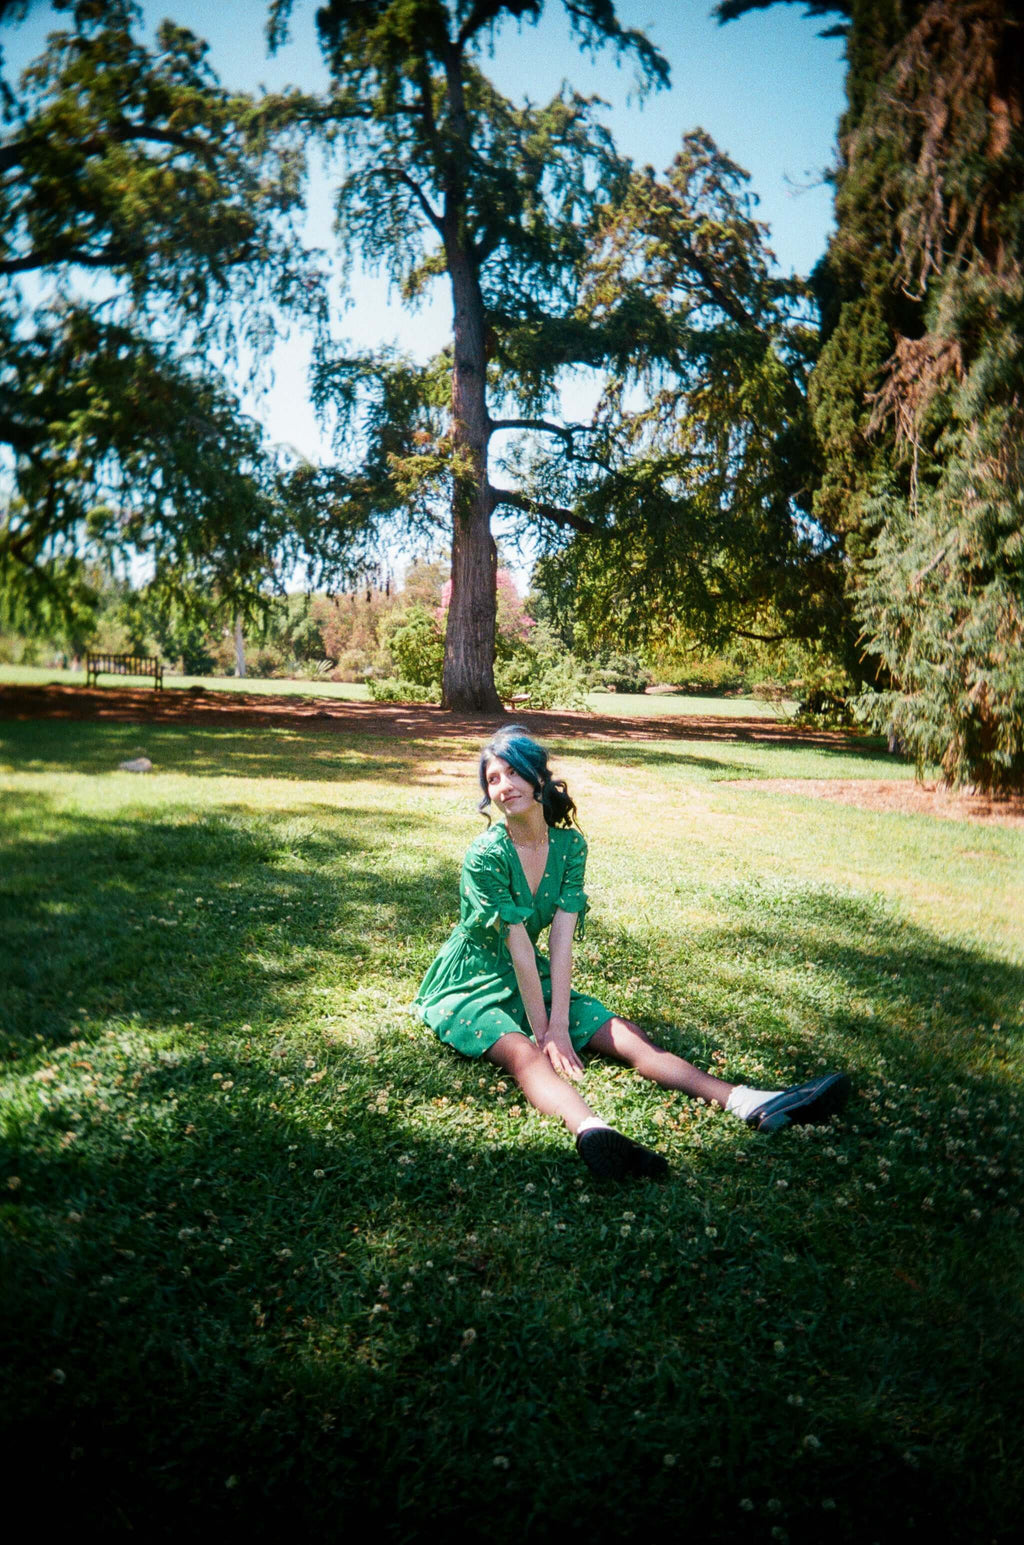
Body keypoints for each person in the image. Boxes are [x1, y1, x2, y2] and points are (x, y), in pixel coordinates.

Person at [414, 727, 850, 1180]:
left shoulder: (570, 847)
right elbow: (519, 946)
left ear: (538, 777)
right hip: (470, 977)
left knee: (623, 1032)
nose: (503, 786)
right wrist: (545, 1032)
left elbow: (560, 941)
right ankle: (591, 1130)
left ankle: (748, 1101)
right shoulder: (485, 855)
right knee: (523, 1052)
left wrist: (561, 1023)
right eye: (492, 779)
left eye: (512, 773)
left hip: (529, 971)